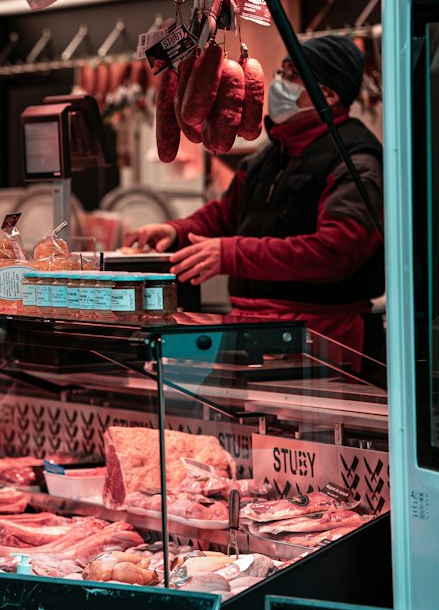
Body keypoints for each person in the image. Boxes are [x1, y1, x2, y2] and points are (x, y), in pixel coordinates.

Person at [130, 33, 384, 364]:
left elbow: (334, 252)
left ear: (328, 94)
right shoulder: (271, 154)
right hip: (252, 330)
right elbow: (226, 216)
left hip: (323, 339)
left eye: (292, 76)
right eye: (282, 72)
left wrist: (232, 254)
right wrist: (176, 232)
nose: (279, 82)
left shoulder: (355, 159)